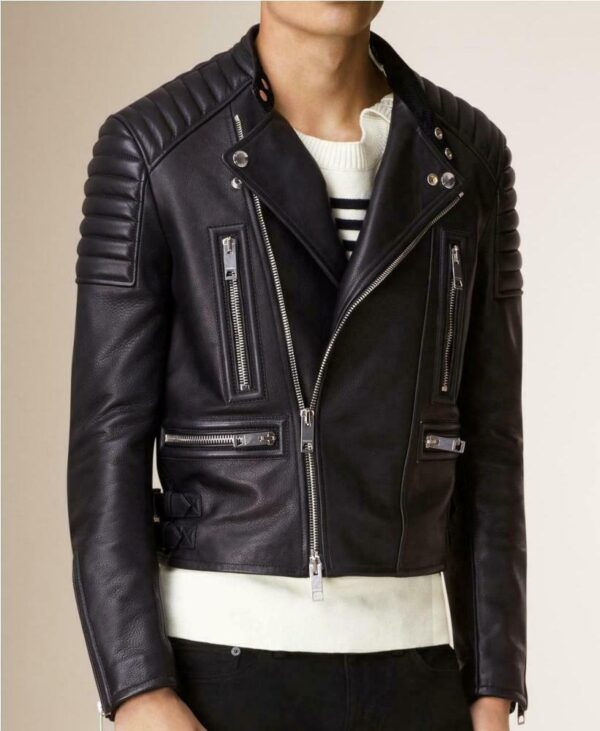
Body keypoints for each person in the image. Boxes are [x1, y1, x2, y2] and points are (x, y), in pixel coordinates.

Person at [67, 2, 527, 730]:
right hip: (220, 670)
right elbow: (107, 441)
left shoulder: (469, 159)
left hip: (417, 668)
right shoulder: (156, 148)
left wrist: (495, 688)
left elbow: (492, 441)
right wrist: (137, 690)